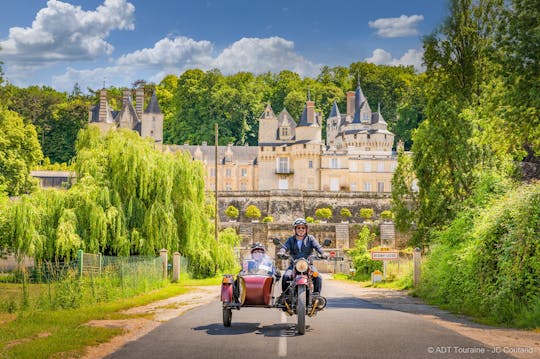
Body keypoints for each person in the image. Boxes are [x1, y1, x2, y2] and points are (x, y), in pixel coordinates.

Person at [278, 218, 327, 296]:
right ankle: (285, 297)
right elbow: (285, 247)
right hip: (294, 265)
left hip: (308, 265)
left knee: (318, 277)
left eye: (303, 227)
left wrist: (323, 253)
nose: (301, 229)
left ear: (306, 229)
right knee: (286, 276)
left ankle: (316, 297)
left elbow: (318, 247)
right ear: (295, 229)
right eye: (298, 228)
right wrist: (282, 252)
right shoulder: (291, 239)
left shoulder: (310, 238)